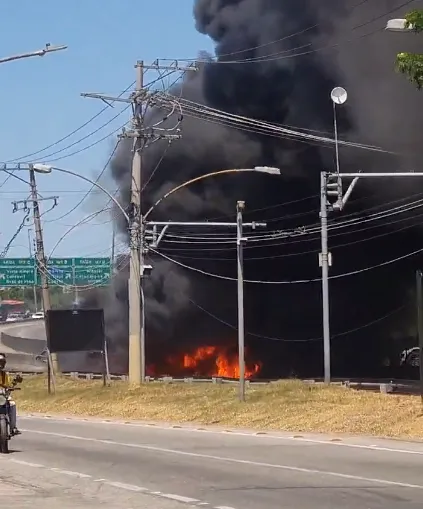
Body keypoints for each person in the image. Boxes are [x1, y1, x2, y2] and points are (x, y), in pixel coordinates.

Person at [0, 353, 22, 435]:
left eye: (2, 362)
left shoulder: (5, 375)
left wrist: (15, 382)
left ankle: (13, 427)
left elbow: (9, 385)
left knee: (12, 404)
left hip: (2, 396)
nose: (0, 365)